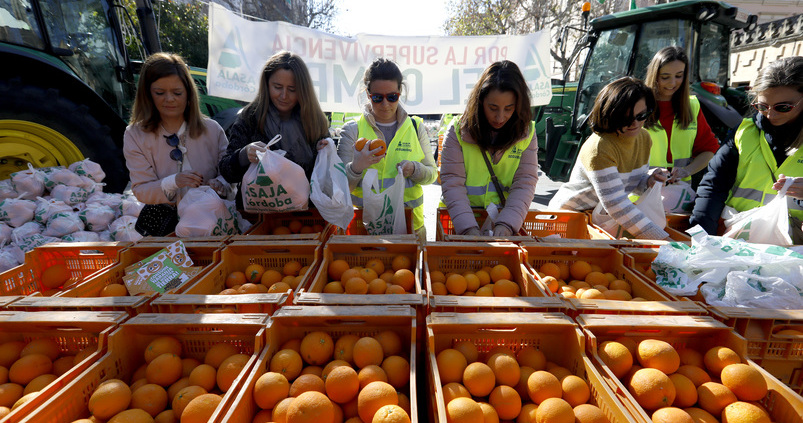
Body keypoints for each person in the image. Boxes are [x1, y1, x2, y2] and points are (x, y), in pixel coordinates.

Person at [690, 56, 803, 236]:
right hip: (738, 241)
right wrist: (701, 236)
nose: (771, 115)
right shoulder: (743, 133)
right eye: (762, 106)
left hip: (793, 251)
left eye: (783, 107)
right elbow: (713, 186)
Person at [549, 76, 670, 240]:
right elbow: (616, 204)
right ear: (610, 114)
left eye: (641, 115)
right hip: (569, 219)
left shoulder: (644, 138)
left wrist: (649, 180)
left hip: (601, 219)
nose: (635, 123)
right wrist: (663, 240)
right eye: (626, 118)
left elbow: (629, 183)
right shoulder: (600, 148)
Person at [123, 52, 229, 235]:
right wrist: (173, 182)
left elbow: (229, 172)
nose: (170, 99)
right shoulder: (135, 135)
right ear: (147, 95)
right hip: (165, 228)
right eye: (160, 93)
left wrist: (221, 183)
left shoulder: (212, 129)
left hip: (214, 222)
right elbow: (141, 189)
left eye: (177, 93)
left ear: (188, 93)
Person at [337, 58, 437, 236]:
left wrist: (415, 169)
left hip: (410, 227)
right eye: (377, 98)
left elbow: (431, 174)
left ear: (400, 92)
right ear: (368, 94)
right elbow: (339, 189)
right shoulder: (352, 130)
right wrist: (356, 167)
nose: (385, 104)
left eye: (392, 97)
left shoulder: (415, 127)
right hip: (364, 229)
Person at [440, 60, 538, 237]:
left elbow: (525, 183)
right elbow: (452, 182)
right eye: (493, 108)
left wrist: (507, 224)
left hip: (503, 220)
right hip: (458, 220)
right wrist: (468, 228)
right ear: (480, 101)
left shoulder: (527, 133)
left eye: (509, 108)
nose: (500, 117)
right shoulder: (457, 130)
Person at [218, 51, 330, 197]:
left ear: (304, 90)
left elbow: (324, 178)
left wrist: (322, 155)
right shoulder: (250, 117)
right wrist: (244, 154)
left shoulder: (315, 122)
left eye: (292, 90)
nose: (284, 96)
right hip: (257, 214)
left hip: (303, 214)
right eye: (277, 87)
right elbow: (227, 172)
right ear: (266, 84)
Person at [644, 46, 719, 183]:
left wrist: (687, 171)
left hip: (679, 194)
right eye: (665, 77)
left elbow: (709, 149)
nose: (673, 83)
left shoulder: (693, 106)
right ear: (654, 75)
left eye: (679, 76)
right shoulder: (638, 106)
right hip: (641, 195)